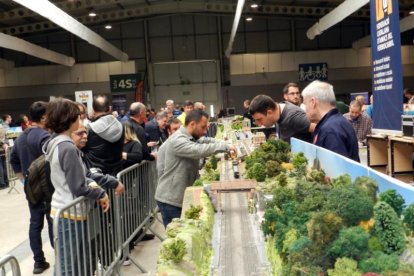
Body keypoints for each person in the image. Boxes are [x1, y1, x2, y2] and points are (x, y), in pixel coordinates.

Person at [44, 98, 110, 276]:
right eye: (77, 117)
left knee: (69, 263)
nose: (81, 120)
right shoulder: (67, 147)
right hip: (70, 215)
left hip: (64, 210)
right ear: (69, 119)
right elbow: (78, 186)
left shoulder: (56, 143)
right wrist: (100, 193)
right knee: (68, 266)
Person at [155, 110, 236, 227]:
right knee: (178, 237)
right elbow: (198, 150)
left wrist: (225, 142)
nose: (205, 131)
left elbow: (205, 140)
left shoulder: (189, 136)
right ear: (192, 124)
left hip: (180, 196)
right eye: (203, 127)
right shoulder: (178, 140)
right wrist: (224, 147)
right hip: (171, 200)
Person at [10, 101, 52, 274]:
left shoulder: (21, 138)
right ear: (43, 117)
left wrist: (25, 181)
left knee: (35, 224)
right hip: (48, 188)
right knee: (52, 222)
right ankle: (61, 256)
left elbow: (13, 161)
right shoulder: (44, 137)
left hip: (31, 190)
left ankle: (38, 261)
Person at [302, 80, 360, 162]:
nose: (305, 109)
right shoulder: (337, 122)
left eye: (305, 104)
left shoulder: (330, 130)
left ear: (313, 102)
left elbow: (337, 171)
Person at [82, 94, 124, 176]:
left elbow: (83, 148)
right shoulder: (120, 126)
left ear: (93, 110)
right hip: (117, 174)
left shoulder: (89, 129)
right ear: (109, 109)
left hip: (97, 176)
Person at [249, 94, 313, 143]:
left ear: (269, 112)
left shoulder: (294, 117)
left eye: (259, 119)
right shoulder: (278, 112)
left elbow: (320, 129)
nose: (259, 124)